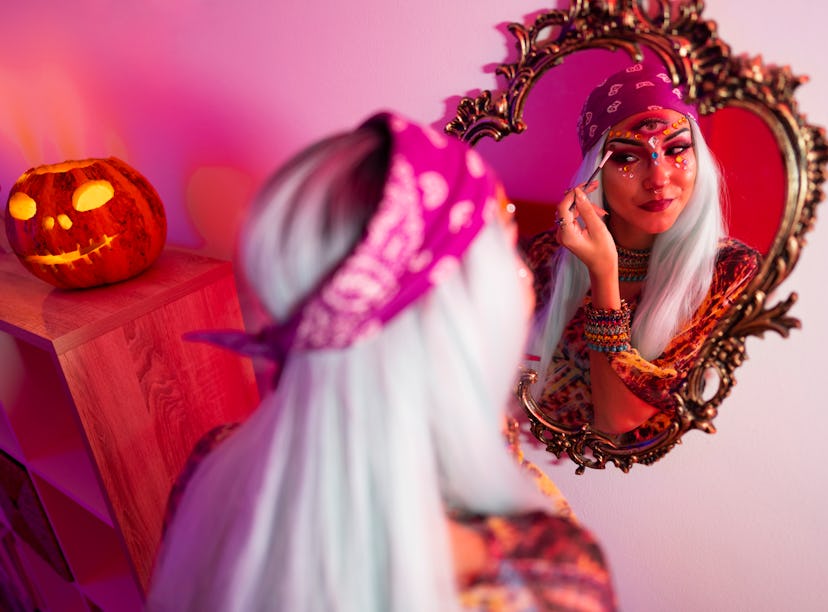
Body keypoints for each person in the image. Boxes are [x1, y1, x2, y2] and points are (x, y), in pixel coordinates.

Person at [145, 112, 617, 611]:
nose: (522, 272)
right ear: (462, 313)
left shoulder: (214, 468)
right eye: (505, 237)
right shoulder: (548, 581)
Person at [525, 62, 760, 438]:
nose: (659, 179)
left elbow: (616, 420)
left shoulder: (732, 272)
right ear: (595, 174)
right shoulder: (543, 257)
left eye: (677, 149)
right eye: (626, 158)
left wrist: (604, 274)